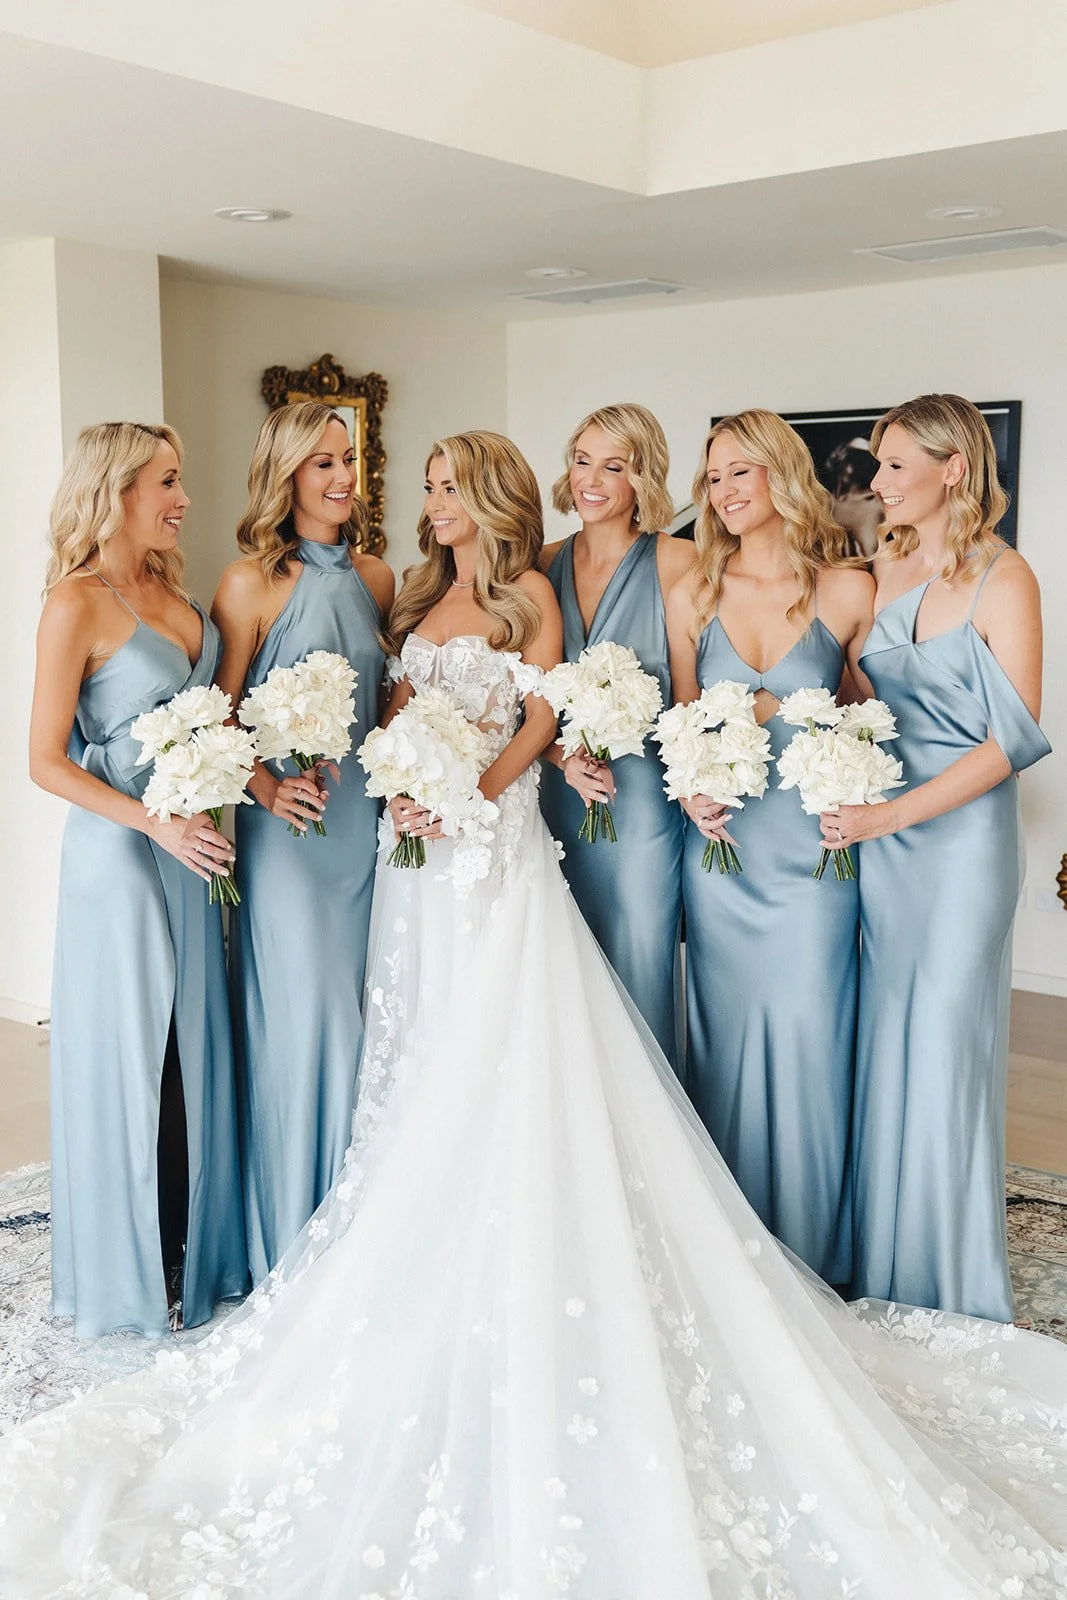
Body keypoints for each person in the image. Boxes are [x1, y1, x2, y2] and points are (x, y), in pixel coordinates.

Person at [3, 429, 1066, 1600]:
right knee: (407, 1044)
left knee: (516, 1042)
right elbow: (382, 703)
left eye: (449, 487)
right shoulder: (395, 590)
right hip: (407, 855)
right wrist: (407, 775)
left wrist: (468, 788)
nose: (428, 501)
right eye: (429, 488)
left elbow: (545, 722)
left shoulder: (536, 599)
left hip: (494, 844)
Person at [820, 393, 1050, 1322]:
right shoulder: (878, 568)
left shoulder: (1007, 577)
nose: (877, 485)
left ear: (953, 468)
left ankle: (950, 1285)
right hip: (880, 839)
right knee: (884, 1045)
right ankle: (882, 1264)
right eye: (877, 467)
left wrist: (892, 816)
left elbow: (1016, 740)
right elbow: (846, 692)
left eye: (893, 467)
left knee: (946, 1048)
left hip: (957, 849)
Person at [27, 421, 247, 1338]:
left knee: (191, 1048)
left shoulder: (174, 590)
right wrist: (152, 820)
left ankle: (192, 1246)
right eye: (166, 480)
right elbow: (44, 761)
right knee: (132, 1057)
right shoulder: (74, 602)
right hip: (120, 858)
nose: (183, 498)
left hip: (192, 851)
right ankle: (127, 1269)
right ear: (115, 489)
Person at [666, 410, 874, 1284]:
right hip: (723, 860)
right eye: (713, 478)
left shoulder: (847, 591)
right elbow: (679, 724)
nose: (724, 492)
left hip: (813, 861)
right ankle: (730, 1257)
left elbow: (872, 719)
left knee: (810, 1041)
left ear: (783, 475)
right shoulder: (692, 596)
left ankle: (813, 1255)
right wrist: (692, 793)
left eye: (740, 472)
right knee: (721, 1043)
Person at [213, 403, 393, 1282]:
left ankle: (358, 1239)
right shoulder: (249, 584)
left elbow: (384, 703)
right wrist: (265, 785)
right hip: (288, 835)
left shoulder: (379, 576)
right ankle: (293, 1246)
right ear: (284, 474)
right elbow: (216, 716)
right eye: (320, 463)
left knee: (364, 1022)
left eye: (346, 459)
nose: (339, 477)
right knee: (306, 1022)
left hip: (363, 829)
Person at [539, 403, 694, 1068]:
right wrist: (558, 755)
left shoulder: (679, 562)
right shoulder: (539, 563)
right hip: (552, 796)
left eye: (614, 465)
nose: (591, 480)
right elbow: (521, 701)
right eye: (582, 461)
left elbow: (689, 701)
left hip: (640, 808)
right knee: (556, 967)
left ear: (643, 476)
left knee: (637, 960)